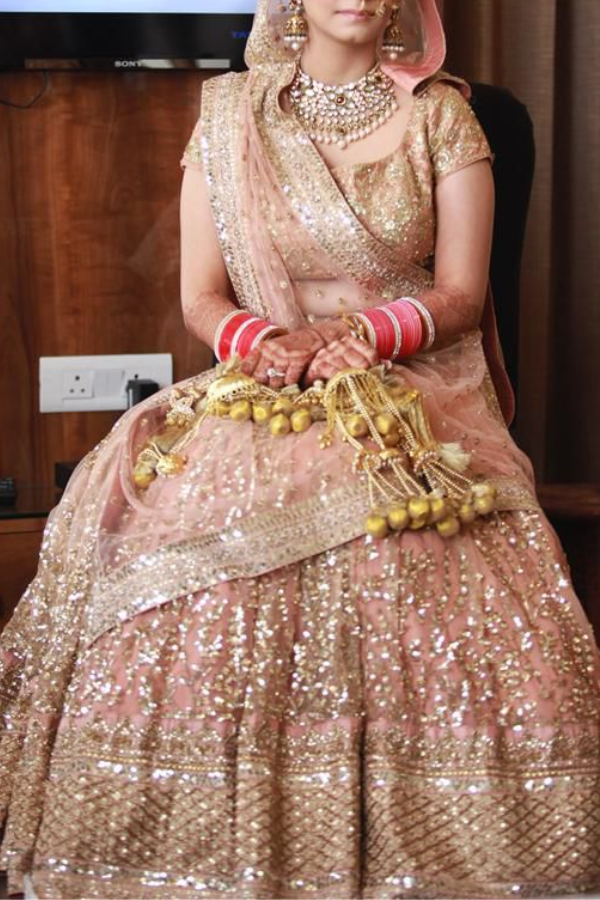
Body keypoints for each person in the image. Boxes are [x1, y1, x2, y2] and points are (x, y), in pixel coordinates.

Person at [1, 0, 600, 897]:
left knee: (420, 541)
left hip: (410, 380)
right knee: (166, 530)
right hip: (268, 379)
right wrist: (273, 347)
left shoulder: (443, 114)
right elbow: (201, 295)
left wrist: (363, 336)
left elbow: (462, 294)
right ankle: (181, 843)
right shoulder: (229, 113)